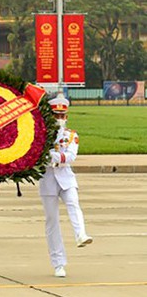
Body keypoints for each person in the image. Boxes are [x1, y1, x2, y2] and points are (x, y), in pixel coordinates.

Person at [40, 94, 93, 278]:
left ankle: (81, 234)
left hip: (66, 178)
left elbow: (70, 157)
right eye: (56, 115)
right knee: (52, 221)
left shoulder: (71, 135)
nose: (60, 119)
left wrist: (53, 157)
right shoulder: (40, 135)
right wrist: (53, 158)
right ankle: (58, 263)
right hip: (47, 181)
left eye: (63, 116)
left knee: (73, 203)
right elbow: (38, 158)